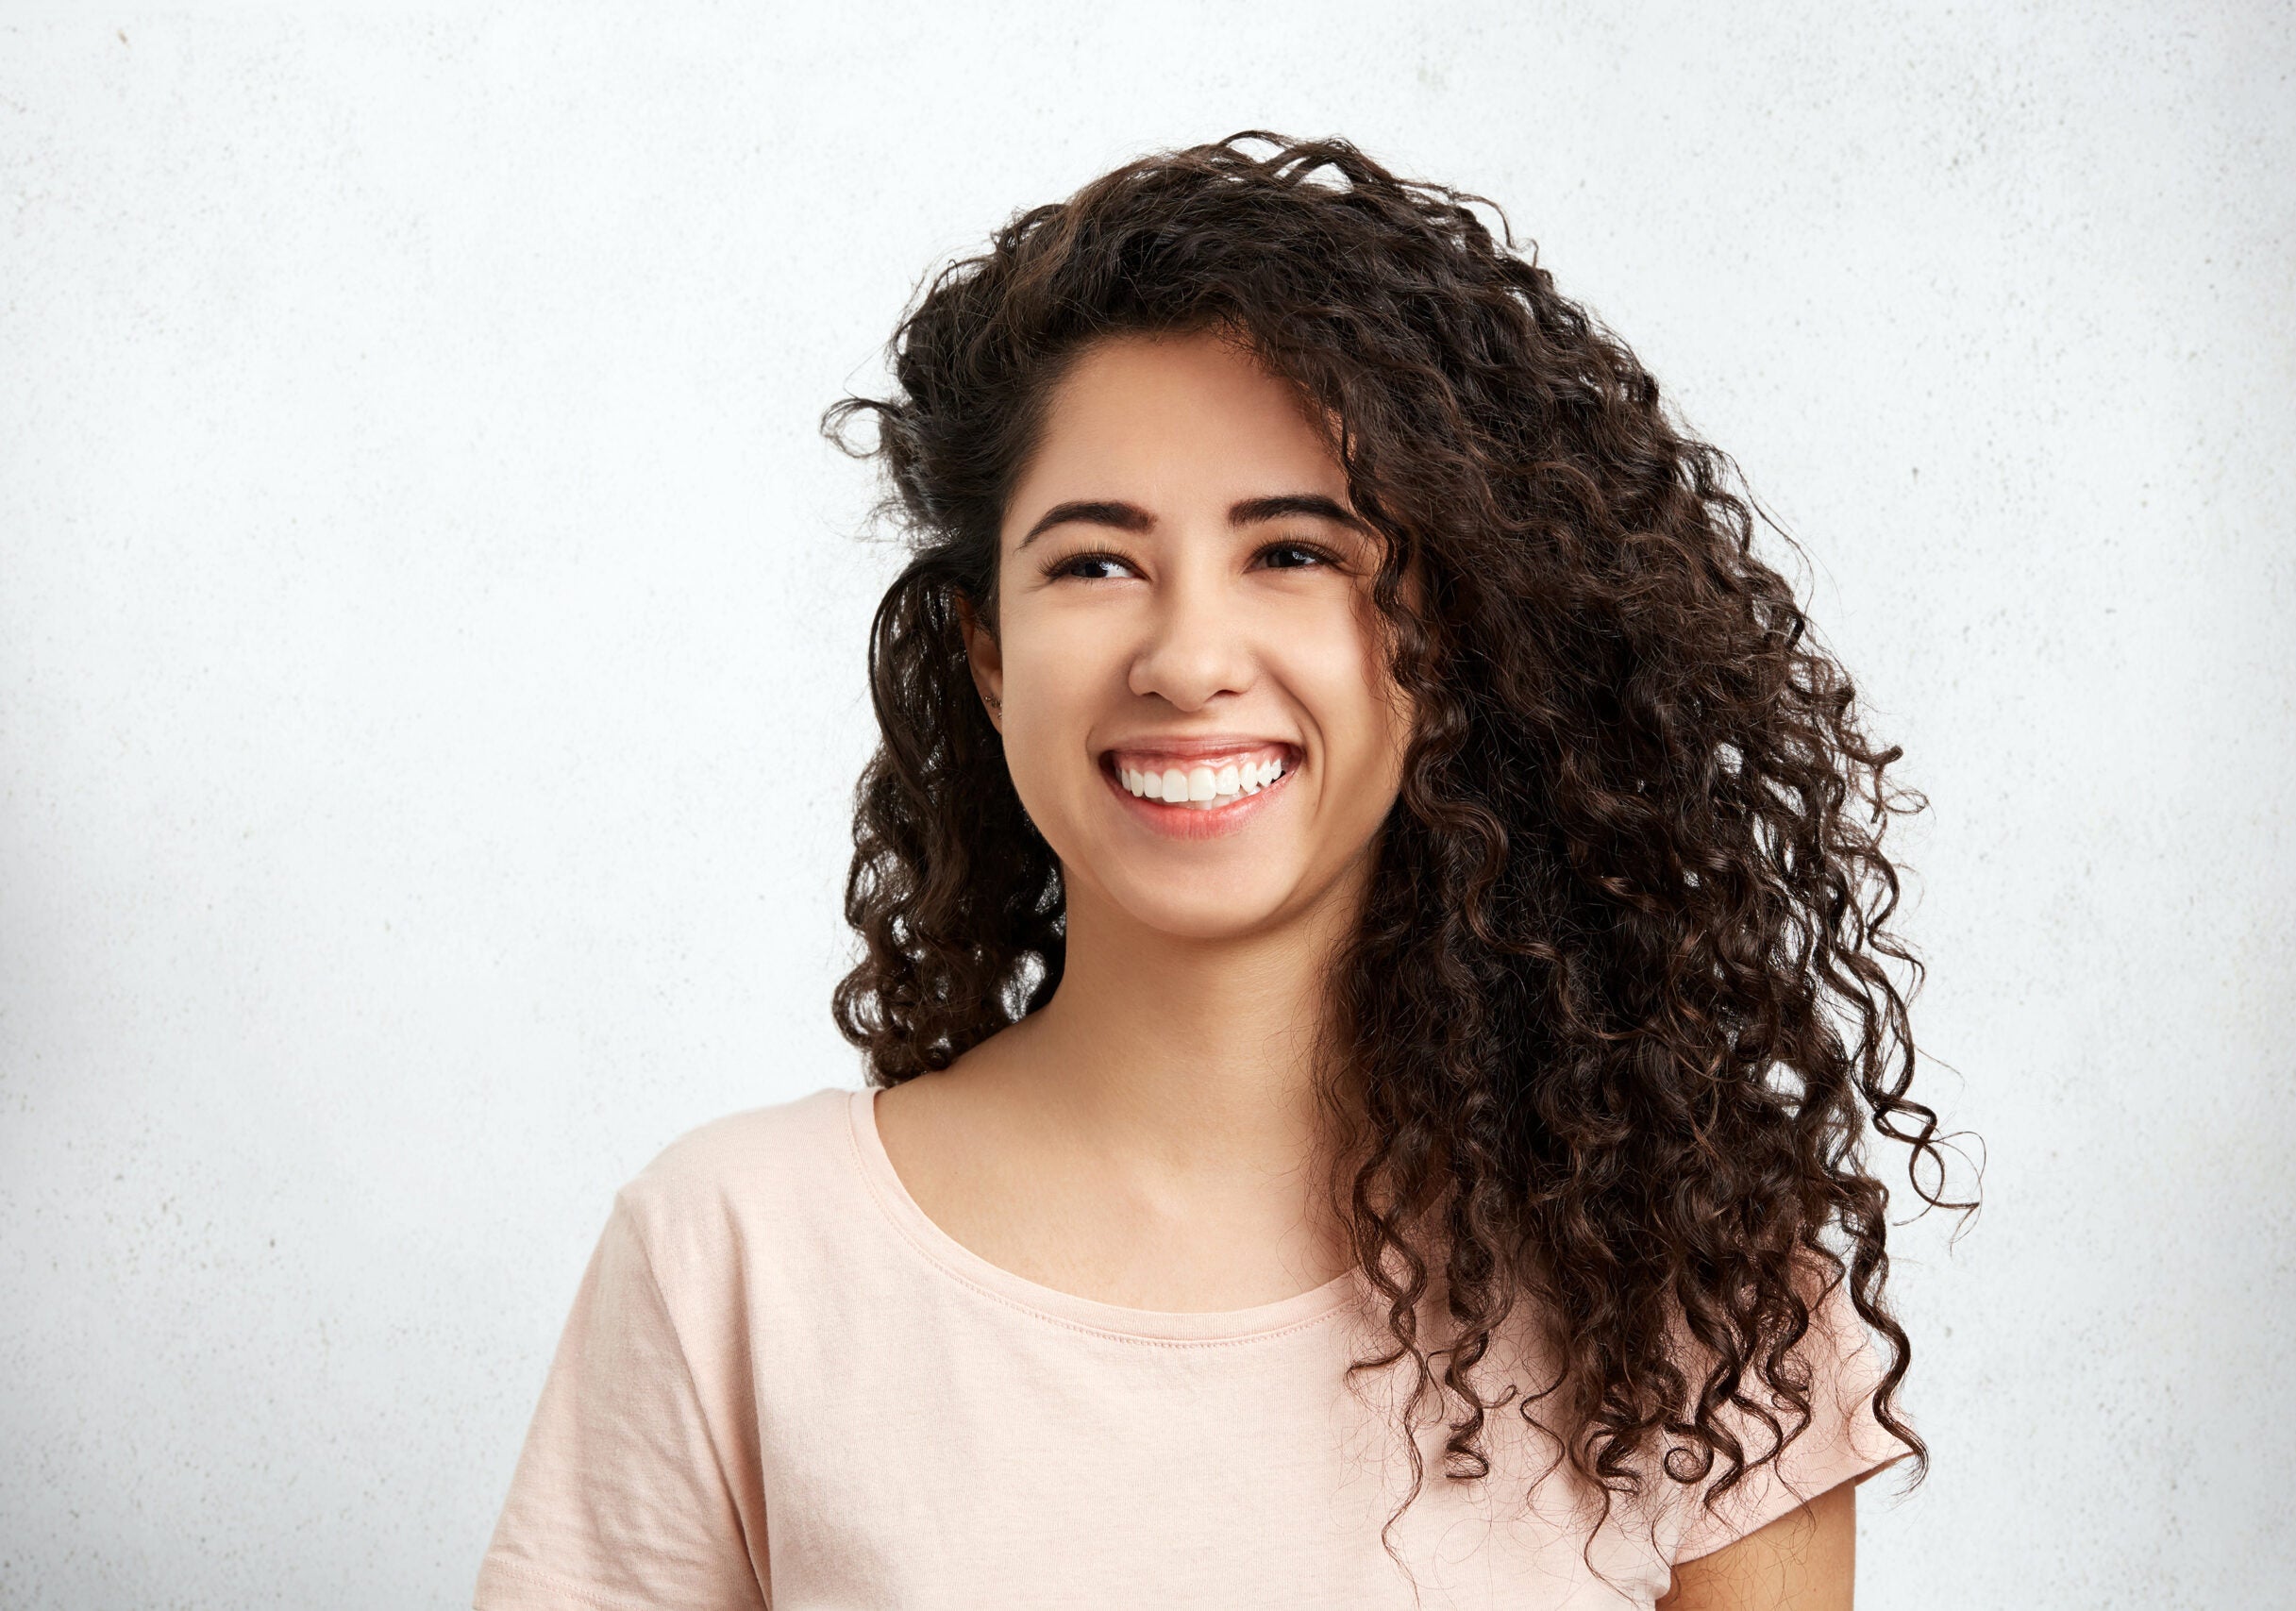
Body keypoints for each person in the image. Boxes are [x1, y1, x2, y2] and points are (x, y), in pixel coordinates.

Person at [472, 132, 1964, 1610]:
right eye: (1094, 563)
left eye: (1296, 553)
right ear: (989, 655)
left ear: (1446, 639)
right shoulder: (733, 1257)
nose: (1187, 661)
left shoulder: (1689, 1301)